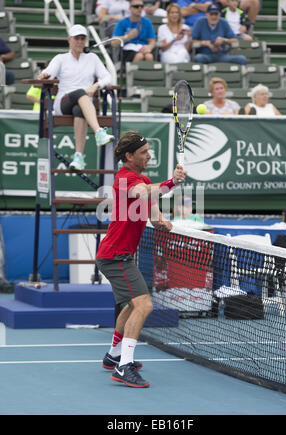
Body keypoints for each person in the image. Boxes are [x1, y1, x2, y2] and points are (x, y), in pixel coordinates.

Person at [96, 130, 186, 388]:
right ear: (129, 156)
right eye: (144, 152)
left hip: (120, 255)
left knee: (130, 306)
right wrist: (173, 182)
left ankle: (113, 356)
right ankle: (124, 366)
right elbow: (144, 192)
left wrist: (162, 223)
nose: (149, 155)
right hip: (115, 257)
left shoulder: (143, 180)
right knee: (144, 305)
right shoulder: (124, 178)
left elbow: (154, 215)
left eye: (149, 150)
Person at [38, 24, 114, 171]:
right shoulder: (61, 58)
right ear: (69, 40)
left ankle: (78, 156)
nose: (80, 41)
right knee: (80, 92)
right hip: (63, 104)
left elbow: (107, 77)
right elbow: (49, 73)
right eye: (76, 38)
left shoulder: (92, 58)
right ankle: (98, 131)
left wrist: (96, 86)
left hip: (84, 106)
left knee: (80, 109)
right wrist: (44, 75)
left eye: (82, 38)